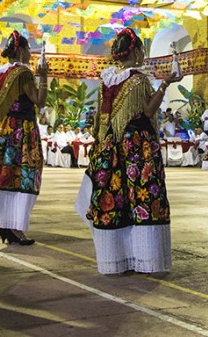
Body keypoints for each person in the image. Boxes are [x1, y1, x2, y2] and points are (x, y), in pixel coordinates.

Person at [75, 28, 178, 274]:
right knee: (142, 196)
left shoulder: (106, 81)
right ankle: (144, 258)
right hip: (137, 148)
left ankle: (116, 259)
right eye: (142, 49)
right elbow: (149, 110)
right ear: (135, 51)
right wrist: (165, 84)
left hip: (110, 147)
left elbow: (100, 120)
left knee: (116, 200)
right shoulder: (138, 79)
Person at [0, 31, 47, 246]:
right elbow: (39, 100)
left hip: (3, 131)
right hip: (22, 130)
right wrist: (44, 76)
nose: (30, 54)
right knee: (24, 175)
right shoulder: (23, 73)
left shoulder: (0, 73)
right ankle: (15, 227)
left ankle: (7, 223)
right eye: (28, 50)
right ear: (21, 51)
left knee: (5, 175)